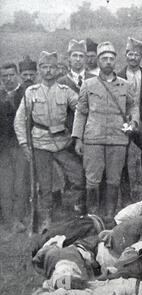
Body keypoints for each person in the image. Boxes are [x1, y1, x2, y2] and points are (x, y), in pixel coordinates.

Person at [14, 52, 86, 233]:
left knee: (78, 175)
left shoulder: (65, 91)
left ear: (57, 69)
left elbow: (81, 109)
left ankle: (75, 213)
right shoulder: (31, 93)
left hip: (63, 141)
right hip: (40, 143)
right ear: (39, 70)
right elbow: (20, 120)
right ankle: (45, 222)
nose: (48, 71)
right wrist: (24, 144)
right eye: (44, 67)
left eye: (52, 67)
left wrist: (78, 134)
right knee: (45, 186)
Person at [72, 42, 140, 221]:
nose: (108, 62)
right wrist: (78, 138)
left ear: (115, 61)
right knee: (92, 180)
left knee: (114, 180)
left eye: (111, 59)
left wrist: (133, 122)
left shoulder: (125, 85)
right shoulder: (88, 84)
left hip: (118, 139)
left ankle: (109, 216)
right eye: (104, 59)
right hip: (93, 139)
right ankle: (93, 217)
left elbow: (133, 105)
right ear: (99, 61)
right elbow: (81, 112)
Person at [118, 37, 142, 201]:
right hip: (123, 123)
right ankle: (126, 194)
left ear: (141, 57)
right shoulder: (117, 76)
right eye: (130, 54)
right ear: (126, 55)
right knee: (122, 158)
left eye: (137, 55)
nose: (133, 58)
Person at [0, 63, 29, 232]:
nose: (8, 79)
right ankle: (8, 219)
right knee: (5, 184)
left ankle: (18, 219)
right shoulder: (0, 95)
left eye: (11, 75)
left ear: (17, 75)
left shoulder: (26, 93)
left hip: (20, 146)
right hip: (3, 148)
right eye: (4, 77)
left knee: (20, 183)